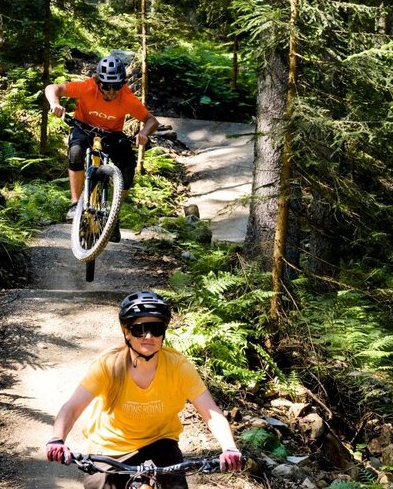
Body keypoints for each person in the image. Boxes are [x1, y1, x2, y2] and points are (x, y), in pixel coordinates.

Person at [45, 291, 244, 489]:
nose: (148, 336)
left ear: (164, 331)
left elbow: (211, 413)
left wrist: (229, 447)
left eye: (156, 328)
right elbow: (72, 407)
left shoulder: (178, 366)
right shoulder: (108, 366)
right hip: (111, 448)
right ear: (126, 331)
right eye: (140, 329)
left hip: (161, 443)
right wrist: (57, 439)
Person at [45, 54, 160, 242]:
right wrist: (55, 103)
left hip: (111, 134)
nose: (111, 91)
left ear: (122, 84)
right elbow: (53, 88)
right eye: (106, 85)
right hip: (83, 127)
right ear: (99, 82)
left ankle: (113, 217)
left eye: (117, 86)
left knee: (128, 167)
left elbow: (151, 120)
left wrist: (144, 133)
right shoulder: (88, 87)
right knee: (75, 153)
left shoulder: (127, 98)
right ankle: (75, 204)